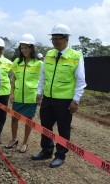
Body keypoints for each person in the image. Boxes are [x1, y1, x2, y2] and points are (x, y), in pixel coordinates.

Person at [32, 24, 86, 168]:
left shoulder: (76, 56)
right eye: (53, 39)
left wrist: (76, 100)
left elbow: (81, 80)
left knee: (63, 128)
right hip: (48, 98)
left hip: (64, 100)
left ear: (66, 38)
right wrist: (39, 92)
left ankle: (60, 155)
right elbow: (43, 75)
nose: (55, 42)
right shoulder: (49, 54)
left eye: (57, 39)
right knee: (46, 126)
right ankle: (46, 150)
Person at [5, 34, 42, 153]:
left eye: (26, 47)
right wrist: (12, 93)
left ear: (31, 48)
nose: (24, 50)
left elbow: (42, 80)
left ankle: (25, 142)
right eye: (22, 48)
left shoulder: (39, 64)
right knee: (14, 119)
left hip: (31, 97)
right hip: (18, 96)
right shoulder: (17, 62)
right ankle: (13, 139)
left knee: (28, 121)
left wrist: (40, 94)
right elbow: (14, 78)